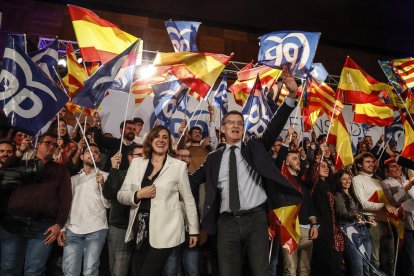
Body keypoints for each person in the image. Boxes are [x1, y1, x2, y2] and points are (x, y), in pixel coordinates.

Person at [189, 67, 302, 276]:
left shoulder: (254, 147)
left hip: (256, 220)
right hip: (226, 223)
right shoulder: (213, 158)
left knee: (261, 271)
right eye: (230, 123)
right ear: (222, 128)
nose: (236, 126)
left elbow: (274, 127)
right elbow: (191, 181)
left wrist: (292, 95)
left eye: (240, 123)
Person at [117, 126, 199, 276]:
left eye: (165, 137)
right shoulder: (137, 164)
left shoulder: (178, 167)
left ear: (169, 142)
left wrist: (193, 230)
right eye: (157, 136)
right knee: (137, 271)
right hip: (140, 230)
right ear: (150, 140)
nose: (161, 140)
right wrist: (138, 194)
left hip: (167, 230)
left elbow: (188, 201)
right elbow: (121, 195)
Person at [0, 132, 72, 276]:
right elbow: (4, 173)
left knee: (35, 271)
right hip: (14, 222)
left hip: (43, 227)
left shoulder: (61, 170)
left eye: (54, 145)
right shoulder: (23, 162)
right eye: (48, 143)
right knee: (9, 269)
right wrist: (20, 151)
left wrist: (59, 224)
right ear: (38, 144)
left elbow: (66, 199)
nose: (51, 147)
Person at [57, 144, 109, 275]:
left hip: (96, 229)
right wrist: (62, 228)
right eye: (88, 151)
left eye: (96, 152)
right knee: (69, 271)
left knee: (90, 271)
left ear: (99, 158)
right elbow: (65, 205)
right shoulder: (72, 179)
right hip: (73, 230)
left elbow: (108, 204)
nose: (92, 153)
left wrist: (102, 184)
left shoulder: (106, 176)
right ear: (81, 156)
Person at [352, 152, 397, 275]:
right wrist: (384, 205)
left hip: (385, 221)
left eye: (372, 161)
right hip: (371, 222)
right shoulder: (356, 179)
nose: (371, 164)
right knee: (374, 260)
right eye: (368, 162)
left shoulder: (379, 181)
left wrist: (407, 187)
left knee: (390, 259)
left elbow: (392, 201)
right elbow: (363, 204)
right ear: (359, 165)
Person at [102, 145, 144, 276]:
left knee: (139, 268)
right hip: (120, 228)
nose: (143, 158)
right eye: (139, 155)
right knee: (118, 269)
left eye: (145, 156)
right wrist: (114, 168)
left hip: (141, 229)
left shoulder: (150, 177)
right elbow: (108, 193)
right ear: (130, 157)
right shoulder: (119, 174)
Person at [280, 150, 318, 276]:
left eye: (298, 158)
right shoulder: (281, 181)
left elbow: (310, 206)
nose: (298, 160)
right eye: (294, 158)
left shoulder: (303, 183)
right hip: (289, 229)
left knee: (305, 270)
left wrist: (314, 225)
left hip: (306, 230)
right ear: (286, 162)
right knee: (290, 270)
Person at [163, 147, 201, 276]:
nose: (184, 158)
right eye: (180, 155)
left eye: (187, 156)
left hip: (190, 231)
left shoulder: (195, 179)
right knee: (171, 270)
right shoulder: (165, 178)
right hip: (171, 230)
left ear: (190, 159)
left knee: (192, 270)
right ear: (173, 158)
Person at [335, 170, 373, 276]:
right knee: (358, 267)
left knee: (367, 265)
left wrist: (368, 218)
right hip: (350, 230)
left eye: (349, 178)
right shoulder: (338, 195)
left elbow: (360, 211)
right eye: (344, 179)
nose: (347, 181)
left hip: (362, 229)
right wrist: (354, 214)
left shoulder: (353, 194)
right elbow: (343, 214)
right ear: (338, 181)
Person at [310, 160, 344, 276]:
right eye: (322, 166)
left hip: (334, 229)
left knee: (336, 264)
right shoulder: (315, 186)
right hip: (323, 231)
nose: (326, 168)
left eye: (327, 166)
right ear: (315, 170)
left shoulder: (329, 186)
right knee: (325, 264)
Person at [381, 157, 414, 276]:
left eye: (399, 166)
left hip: (412, 221)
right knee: (409, 261)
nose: (397, 168)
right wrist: (408, 186)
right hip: (403, 225)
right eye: (393, 166)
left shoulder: (407, 180)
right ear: (387, 170)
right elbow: (394, 201)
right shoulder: (385, 183)